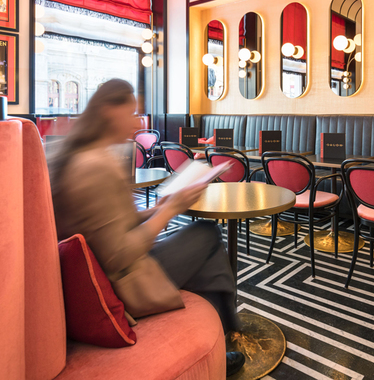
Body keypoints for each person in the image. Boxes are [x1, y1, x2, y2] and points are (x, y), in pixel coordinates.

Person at [49, 79, 245, 376]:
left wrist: (155, 209)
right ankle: (225, 338)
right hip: (120, 283)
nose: (136, 122)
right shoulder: (95, 167)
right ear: (107, 111)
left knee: (205, 250)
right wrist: (170, 210)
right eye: (130, 114)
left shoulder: (81, 156)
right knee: (206, 234)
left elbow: (107, 226)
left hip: (104, 272)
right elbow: (119, 255)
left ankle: (221, 340)